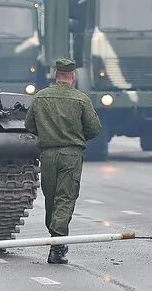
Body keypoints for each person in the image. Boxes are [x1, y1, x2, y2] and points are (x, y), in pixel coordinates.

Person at [24, 57, 103, 265]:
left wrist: (48, 134)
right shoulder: (81, 99)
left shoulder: (40, 97)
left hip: (48, 154)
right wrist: (76, 138)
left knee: (51, 197)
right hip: (71, 154)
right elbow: (94, 128)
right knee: (65, 197)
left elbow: (29, 124)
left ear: (55, 75)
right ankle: (58, 246)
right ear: (73, 76)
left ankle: (55, 236)